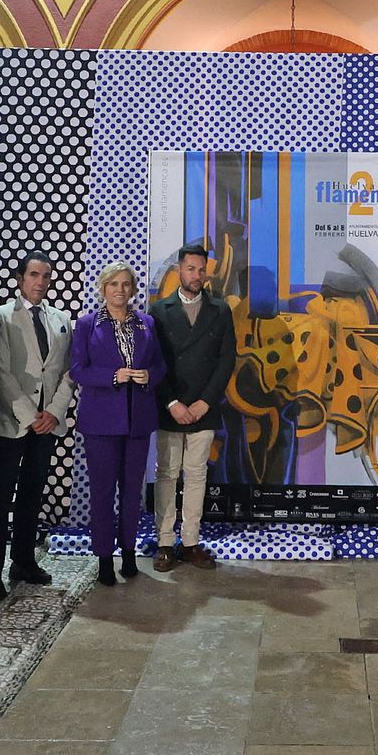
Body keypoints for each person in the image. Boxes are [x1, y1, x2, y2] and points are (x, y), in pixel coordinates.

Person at [0, 250, 76, 599]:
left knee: (33, 493)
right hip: (12, 422)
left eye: (46, 276)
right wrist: (30, 416)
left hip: (47, 423)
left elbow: (68, 372)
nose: (40, 281)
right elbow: (2, 373)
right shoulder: (1, 316)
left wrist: (53, 412)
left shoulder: (61, 319)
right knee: (0, 497)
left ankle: (23, 560)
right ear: (20, 279)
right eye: (34, 275)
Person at [71, 263, 167, 586]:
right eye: (113, 284)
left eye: (126, 284)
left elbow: (160, 365)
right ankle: (103, 559)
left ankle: (128, 552)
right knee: (102, 492)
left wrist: (149, 375)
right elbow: (78, 370)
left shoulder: (146, 323)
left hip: (138, 421)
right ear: (103, 288)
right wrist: (112, 376)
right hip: (100, 423)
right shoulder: (87, 325)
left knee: (131, 493)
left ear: (133, 289)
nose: (120, 290)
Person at [148, 243, 236, 572]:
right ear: (178, 271)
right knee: (167, 474)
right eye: (190, 269)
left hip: (203, 408)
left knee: (197, 475)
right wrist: (171, 402)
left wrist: (205, 401)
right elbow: (153, 361)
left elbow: (226, 360)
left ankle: (191, 542)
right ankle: (164, 543)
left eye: (201, 270)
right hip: (170, 406)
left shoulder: (220, 310)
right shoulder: (159, 310)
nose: (196, 275)